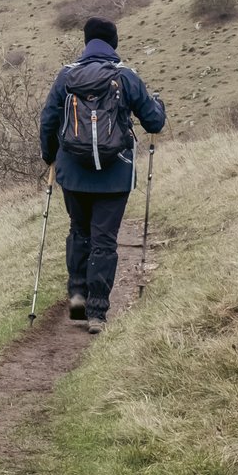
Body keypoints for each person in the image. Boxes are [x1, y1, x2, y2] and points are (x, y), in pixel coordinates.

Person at [39, 17, 165, 333]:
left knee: (79, 231)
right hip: (115, 175)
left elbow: (48, 122)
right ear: (114, 43)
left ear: (86, 42)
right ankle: (97, 314)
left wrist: (50, 157)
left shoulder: (66, 76)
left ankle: (78, 301)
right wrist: (158, 106)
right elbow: (153, 122)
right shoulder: (126, 77)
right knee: (104, 241)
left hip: (73, 173)